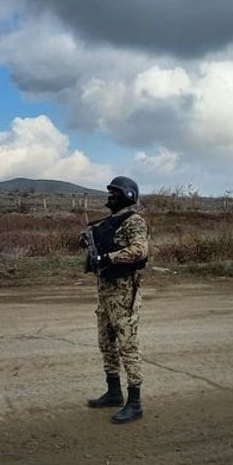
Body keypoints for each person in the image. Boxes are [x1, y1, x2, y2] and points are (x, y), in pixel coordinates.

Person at [80, 176, 149, 424]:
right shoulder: (109, 222)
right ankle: (113, 392)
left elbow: (140, 250)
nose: (109, 196)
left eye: (114, 192)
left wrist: (107, 258)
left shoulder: (134, 221)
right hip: (105, 291)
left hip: (123, 292)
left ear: (127, 195)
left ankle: (135, 402)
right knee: (106, 342)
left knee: (127, 345)